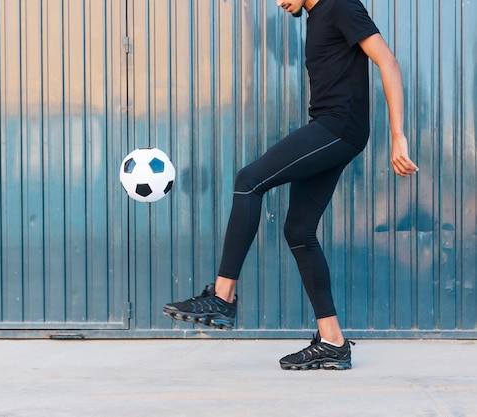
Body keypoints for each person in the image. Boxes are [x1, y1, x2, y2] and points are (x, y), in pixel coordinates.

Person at [163, 0, 419, 370]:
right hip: (334, 128)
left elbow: (388, 61)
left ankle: (223, 296)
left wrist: (398, 136)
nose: (279, 1)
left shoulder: (341, 5)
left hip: (337, 127)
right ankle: (333, 342)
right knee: (298, 230)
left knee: (248, 181)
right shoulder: (316, 18)